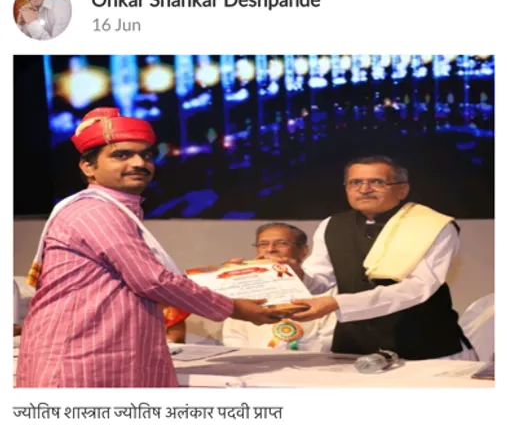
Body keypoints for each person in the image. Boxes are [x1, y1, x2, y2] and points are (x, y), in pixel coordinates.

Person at [17, 108, 281, 388]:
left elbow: (135, 278)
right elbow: (151, 280)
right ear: (88, 167)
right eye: (122, 155)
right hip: (81, 359)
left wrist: (222, 277)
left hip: (107, 354)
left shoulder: (118, 210)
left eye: (146, 155)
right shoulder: (95, 211)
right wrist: (233, 307)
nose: (139, 163)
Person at [284, 156, 477, 361]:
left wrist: (337, 303)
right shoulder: (331, 225)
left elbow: (418, 288)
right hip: (353, 347)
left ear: (402, 190)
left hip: (425, 347)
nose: (364, 189)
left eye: (376, 182)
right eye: (355, 182)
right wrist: (297, 275)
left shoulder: (433, 226)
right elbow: (321, 279)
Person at [221, 222, 336, 351]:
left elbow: (330, 337)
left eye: (282, 243)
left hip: (314, 360)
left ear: (304, 250)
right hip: (255, 359)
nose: (270, 249)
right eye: (263, 244)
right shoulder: (243, 285)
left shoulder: (323, 287)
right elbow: (234, 335)